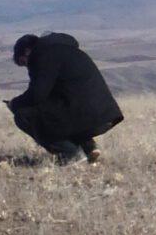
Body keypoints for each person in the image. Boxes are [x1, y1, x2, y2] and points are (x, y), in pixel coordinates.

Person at [7, 32, 123, 164]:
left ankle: (70, 154)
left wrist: (15, 104)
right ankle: (88, 147)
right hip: (105, 113)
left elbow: (36, 95)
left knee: (24, 116)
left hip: (85, 114)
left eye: (24, 62)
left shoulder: (43, 56)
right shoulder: (67, 50)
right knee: (56, 112)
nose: (28, 66)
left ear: (27, 51)